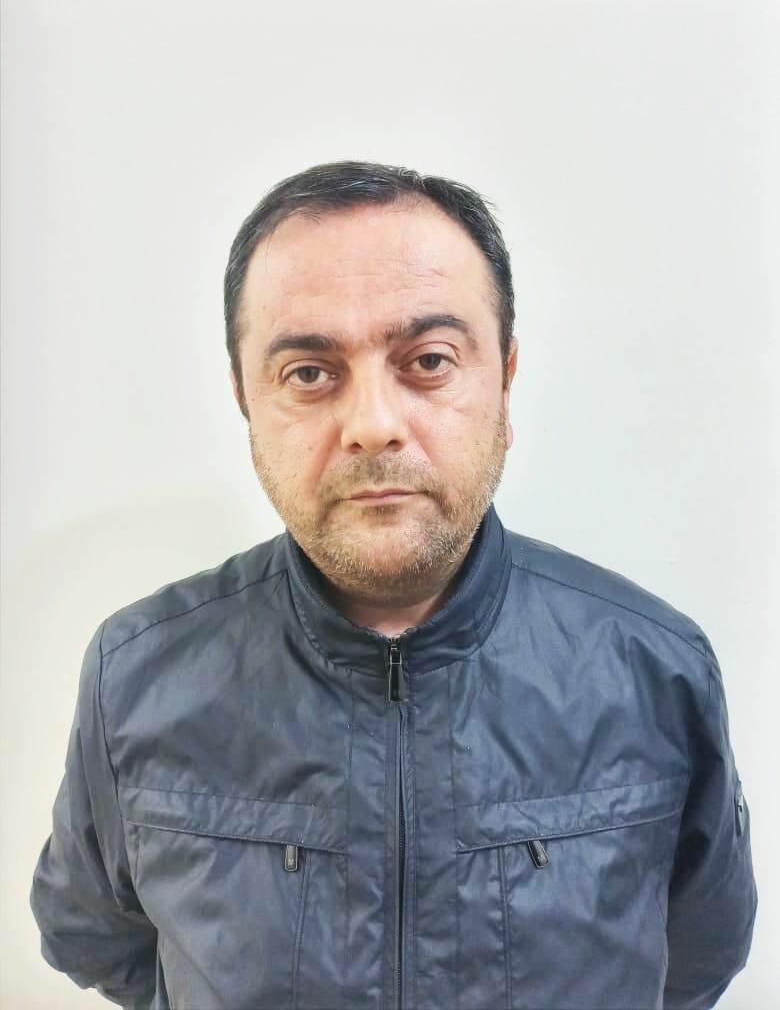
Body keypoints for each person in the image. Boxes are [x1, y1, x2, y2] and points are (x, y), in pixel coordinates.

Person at [30, 160, 757, 1010]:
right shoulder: (138, 673)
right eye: (309, 372)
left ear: (505, 380)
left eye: (429, 360)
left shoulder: (654, 668)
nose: (373, 424)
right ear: (245, 399)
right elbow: (94, 935)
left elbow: (695, 955)